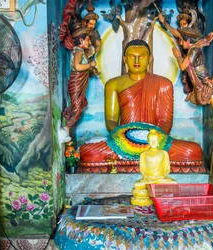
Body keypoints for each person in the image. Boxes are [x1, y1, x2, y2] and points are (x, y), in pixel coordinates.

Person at [78, 40, 205, 173]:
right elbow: (111, 120)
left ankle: (135, 159)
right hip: (123, 140)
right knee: (87, 153)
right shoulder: (113, 84)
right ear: (125, 59)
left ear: (149, 59)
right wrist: (121, 139)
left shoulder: (163, 84)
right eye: (132, 56)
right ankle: (132, 155)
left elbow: (165, 121)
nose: (137, 60)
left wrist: (153, 142)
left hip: (155, 141)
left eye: (142, 56)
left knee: (192, 151)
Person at [63, 29, 99, 129]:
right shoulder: (78, 51)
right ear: (81, 40)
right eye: (88, 40)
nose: (90, 42)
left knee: (79, 105)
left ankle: (67, 129)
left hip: (81, 81)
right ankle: (66, 128)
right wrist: (90, 64)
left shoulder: (82, 51)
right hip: (76, 81)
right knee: (77, 108)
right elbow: (77, 67)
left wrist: (92, 68)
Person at [131, 129, 176, 206]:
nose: (153, 142)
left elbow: (166, 168)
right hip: (149, 179)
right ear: (148, 141)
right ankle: (157, 196)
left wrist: (163, 176)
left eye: (155, 140)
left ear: (158, 140)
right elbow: (143, 169)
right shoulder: (144, 154)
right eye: (151, 140)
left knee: (173, 183)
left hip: (161, 179)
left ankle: (149, 195)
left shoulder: (163, 153)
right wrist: (147, 177)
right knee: (137, 185)